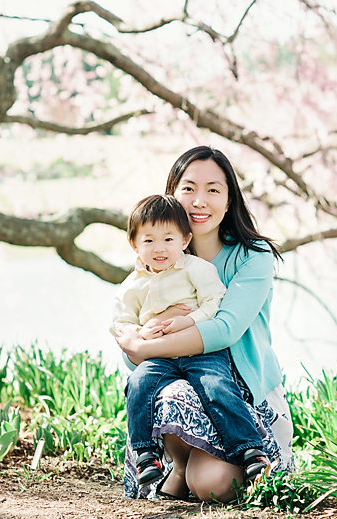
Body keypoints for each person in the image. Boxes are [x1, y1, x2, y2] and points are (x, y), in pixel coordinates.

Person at [115, 146, 295, 502]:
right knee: (161, 386)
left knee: (210, 482)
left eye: (213, 190)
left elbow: (224, 330)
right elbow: (133, 352)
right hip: (180, 386)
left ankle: (233, 459)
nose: (199, 201)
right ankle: (174, 465)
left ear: (229, 201)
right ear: (171, 195)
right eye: (188, 188)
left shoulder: (252, 257)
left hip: (240, 390)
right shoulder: (158, 255)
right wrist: (138, 341)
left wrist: (145, 344)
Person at [110, 194, 270, 488]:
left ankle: (249, 449)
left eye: (168, 239)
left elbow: (214, 302)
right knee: (138, 383)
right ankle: (147, 454)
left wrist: (188, 320)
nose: (160, 248)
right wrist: (141, 334)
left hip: (201, 353)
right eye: (149, 241)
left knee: (216, 385)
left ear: (185, 240)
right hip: (159, 357)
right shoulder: (132, 285)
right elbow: (121, 324)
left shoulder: (195, 268)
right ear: (134, 244)